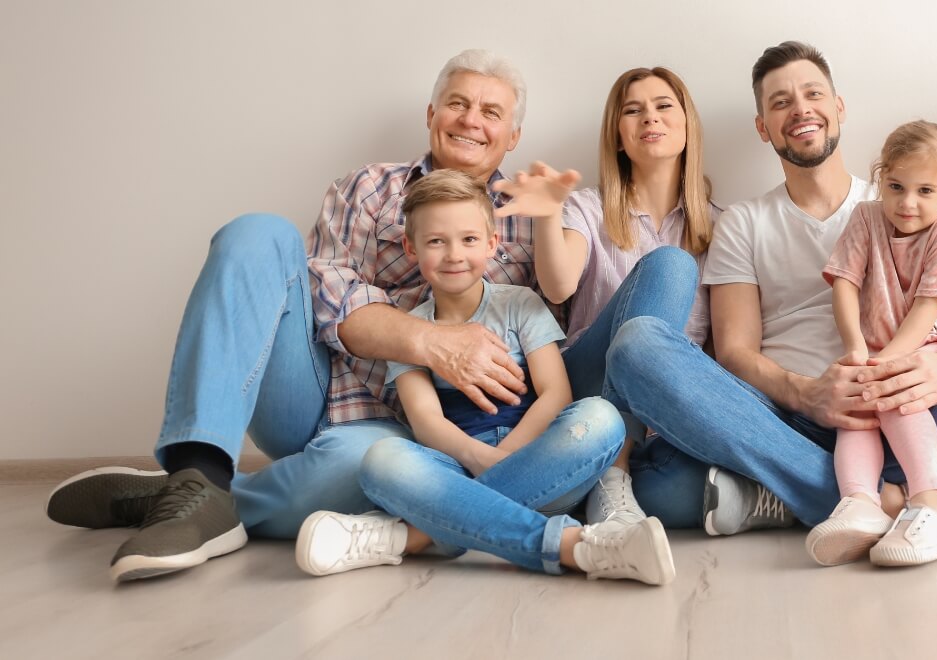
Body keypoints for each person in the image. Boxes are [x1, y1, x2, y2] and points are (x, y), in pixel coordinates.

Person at [44, 49, 557, 581]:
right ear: (432, 115)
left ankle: (199, 498)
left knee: (376, 469)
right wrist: (429, 341)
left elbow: (552, 341)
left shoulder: (531, 220)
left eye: (491, 112)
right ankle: (199, 465)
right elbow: (326, 295)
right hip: (313, 390)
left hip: (417, 436)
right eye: (457, 103)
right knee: (258, 233)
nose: (471, 119)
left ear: (513, 138)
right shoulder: (366, 190)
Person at [590, 42, 937, 546]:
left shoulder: (906, 200)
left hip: (908, 412)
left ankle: (819, 496)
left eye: (813, 93)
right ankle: (917, 497)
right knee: (638, 349)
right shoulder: (743, 223)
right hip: (783, 423)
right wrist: (805, 394)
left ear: (839, 108)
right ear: (763, 127)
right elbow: (734, 352)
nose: (800, 109)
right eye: (780, 102)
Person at [294, 170, 673, 585]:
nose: (454, 254)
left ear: (493, 244)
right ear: (411, 246)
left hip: (542, 469)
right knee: (383, 459)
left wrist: (507, 458)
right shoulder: (412, 330)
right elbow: (426, 422)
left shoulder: (520, 304)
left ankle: (412, 536)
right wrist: (482, 461)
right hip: (456, 471)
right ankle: (577, 546)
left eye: (469, 239)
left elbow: (555, 393)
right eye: (436, 241)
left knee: (602, 418)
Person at [503, 66, 719, 529]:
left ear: (687, 126)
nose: (650, 118)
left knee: (687, 493)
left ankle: (597, 484)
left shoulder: (722, 228)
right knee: (670, 266)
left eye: (664, 107)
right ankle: (611, 472)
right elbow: (558, 285)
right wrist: (547, 214)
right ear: (619, 136)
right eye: (633, 110)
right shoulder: (588, 207)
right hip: (589, 385)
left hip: (664, 416)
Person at [809, 119, 937, 566]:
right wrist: (857, 347)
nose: (907, 203)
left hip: (925, 346)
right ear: (881, 180)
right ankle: (860, 504)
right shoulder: (866, 217)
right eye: (895, 187)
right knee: (854, 410)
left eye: (925, 191)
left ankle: (932, 503)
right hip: (872, 348)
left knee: (896, 395)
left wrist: (888, 360)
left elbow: (928, 309)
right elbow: (845, 284)